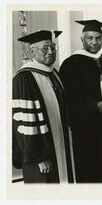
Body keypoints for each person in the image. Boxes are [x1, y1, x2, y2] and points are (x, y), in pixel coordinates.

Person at [59, 20, 102, 183]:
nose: (95, 42)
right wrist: (94, 106)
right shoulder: (71, 63)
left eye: (98, 38)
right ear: (82, 39)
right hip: (86, 126)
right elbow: (70, 96)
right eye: (90, 38)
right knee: (89, 168)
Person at [12, 30, 75, 183]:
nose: (50, 52)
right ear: (32, 52)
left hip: (60, 144)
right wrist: (39, 157)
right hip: (40, 155)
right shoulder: (24, 79)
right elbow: (24, 123)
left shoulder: (54, 74)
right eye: (45, 48)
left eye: (53, 48)